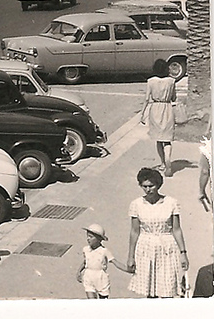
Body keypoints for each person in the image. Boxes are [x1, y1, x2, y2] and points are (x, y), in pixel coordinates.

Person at [126, 167, 188, 298]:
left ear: (158, 185)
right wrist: (130, 256)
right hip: (145, 248)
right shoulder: (136, 204)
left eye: (151, 186)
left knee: (168, 288)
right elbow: (134, 231)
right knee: (150, 291)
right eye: (144, 186)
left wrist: (183, 253)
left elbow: (176, 229)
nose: (148, 190)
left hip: (167, 249)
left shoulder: (171, 203)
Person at [140, 59, 177, 176]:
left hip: (155, 109)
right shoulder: (171, 81)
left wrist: (142, 113)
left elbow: (147, 99)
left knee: (158, 139)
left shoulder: (151, 81)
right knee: (167, 139)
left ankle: (162, 163)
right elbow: (174, 98)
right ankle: (168, 160)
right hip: (167, 109)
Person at [77, 223, 130, 298]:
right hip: (88, 276)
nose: (88, 238)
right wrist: (79, 271)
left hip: (101, 278)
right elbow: (86, 261)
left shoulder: (104, 251)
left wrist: (127, 269)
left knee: (103, 300)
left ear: (99, 239)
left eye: (91, 237)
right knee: (91, 301)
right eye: (87, 236)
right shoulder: (86, 249)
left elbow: (115, 262)